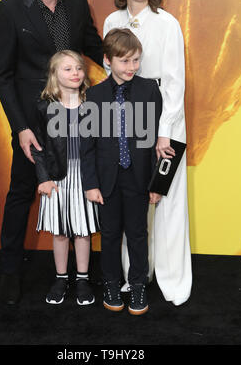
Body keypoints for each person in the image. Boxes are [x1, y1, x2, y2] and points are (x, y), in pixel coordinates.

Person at [0, 0, 103, 305]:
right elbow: (3, 75)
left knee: (81, 187)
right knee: (22, 192)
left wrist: (121, 65)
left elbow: (92, 45)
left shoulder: (77, 1)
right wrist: (20, 127)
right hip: (33, 125)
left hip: (76, 117)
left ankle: (84, 274)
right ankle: (9, 273)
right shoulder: (9, 9)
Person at [103, 0, 192, 306]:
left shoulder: (167, 23)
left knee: (165, 198)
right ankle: (134, 274)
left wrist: (165, 131)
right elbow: (111, 69)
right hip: (127, 117)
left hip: (165, 119)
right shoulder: (112, 20)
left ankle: (172, 280)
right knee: (131, 198)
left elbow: (174, 81)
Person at [80, 28, 162, 315]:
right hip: (106, 180)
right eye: (125, 61)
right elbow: (87, 146)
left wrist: (156, 183)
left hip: (139, 178)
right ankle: (112, 284)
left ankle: (138, 284)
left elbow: (155, 140)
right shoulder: (94, 95)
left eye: (136, 60)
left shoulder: (149, 90)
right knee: (111, 234)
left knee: (138, 233)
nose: (132, 67)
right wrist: (90, 183)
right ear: (108, 60)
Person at [31, 50, 99, 305]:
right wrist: (43, 178)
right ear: (54, 74)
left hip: (85, 177)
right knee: (60, 232)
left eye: (79, 68)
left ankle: (82, 279)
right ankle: (61, 277)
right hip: (57, 178)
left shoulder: (92, 105)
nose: (75, 73)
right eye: (67, 69)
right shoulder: (44, 107)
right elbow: (38, 148)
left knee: (82, 231)